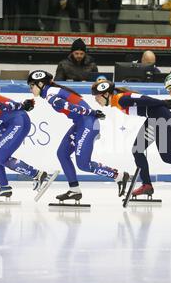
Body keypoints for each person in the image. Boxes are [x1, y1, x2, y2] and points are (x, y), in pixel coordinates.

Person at [27, 70, 129, 201]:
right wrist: (90, 112)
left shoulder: (50, 93)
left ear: (40, 84)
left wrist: (90, 112)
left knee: (83, 164)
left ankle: (119, 176)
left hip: (87, 123)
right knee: (62, 154)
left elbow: (67, 105)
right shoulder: (52, 91)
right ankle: (74, 190)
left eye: (32, 86)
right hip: (82, 122)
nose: (31, 89)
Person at [91, 79, 171, 197]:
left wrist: (162, 103)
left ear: (107, 94)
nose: (96, 99)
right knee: (138, 150)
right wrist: (162, 103)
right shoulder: (119, 99)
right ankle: (147, 185)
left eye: (97, 96)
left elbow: (144, 99)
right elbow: (142, 100)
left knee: (166, 156)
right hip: (154, 119)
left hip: (161, 119)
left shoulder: (121, 99)